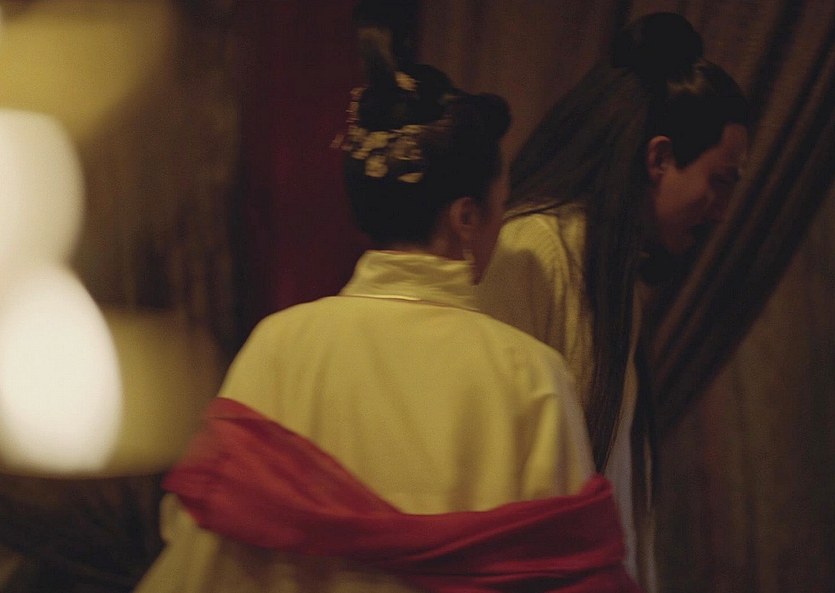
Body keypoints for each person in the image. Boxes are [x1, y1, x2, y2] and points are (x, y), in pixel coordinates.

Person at [132, 2, 640, 592]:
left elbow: (209, 551)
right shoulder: (529, 376)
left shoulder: (281, 346)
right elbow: (574, 575)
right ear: (466, 217)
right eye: (501, 208)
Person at [476, 12, 750, 592]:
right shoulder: (529, 253)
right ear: (659, 159)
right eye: (719, 181)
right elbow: (494, 477)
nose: (721, 211)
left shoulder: (604, 265)